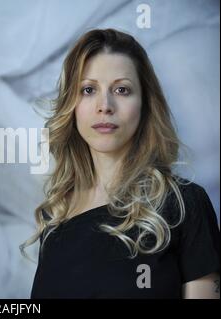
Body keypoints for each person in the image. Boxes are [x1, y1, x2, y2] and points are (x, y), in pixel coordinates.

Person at [22, 29, 220, 299]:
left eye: (122, 89)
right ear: (72, 105)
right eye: (88, 89)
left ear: (145, 105)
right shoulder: (55, 216)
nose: (105, 105)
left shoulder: (186, 204)